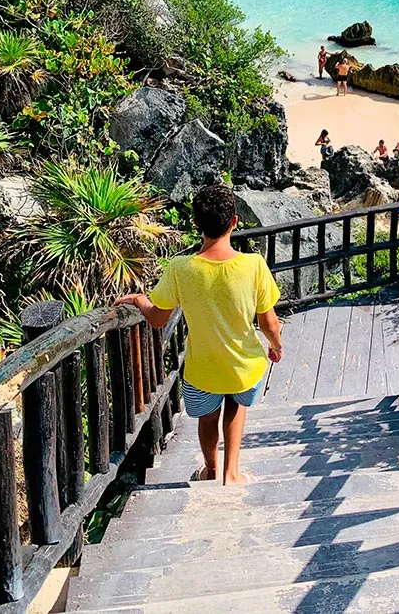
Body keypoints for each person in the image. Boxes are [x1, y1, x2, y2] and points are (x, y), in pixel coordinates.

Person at [114, 185, 282, 486]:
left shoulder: (181, 268)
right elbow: (269, 323)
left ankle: (211, 469)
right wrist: (276, 346)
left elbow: (157, 318)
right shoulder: (253, 265)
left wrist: (140, 300)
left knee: (207, 417)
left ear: (196, 225)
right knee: (236, 402)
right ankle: (231, 473)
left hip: (202, 369)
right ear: (234, 222)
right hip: (244, 366)